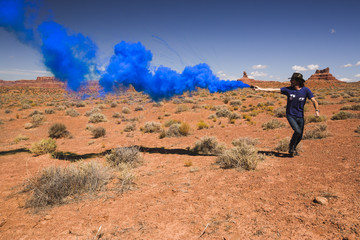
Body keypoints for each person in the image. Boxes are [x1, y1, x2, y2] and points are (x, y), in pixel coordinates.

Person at [253, 73, 320, 156]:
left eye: (292, 80)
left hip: (300, 116)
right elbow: (273, 90)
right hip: (290, 115)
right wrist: (260, 89)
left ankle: (293, 148)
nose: (291, 81)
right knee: (297, 131)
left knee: (300, 135)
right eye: (291, 80)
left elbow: (314, 101)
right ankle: (291, 147)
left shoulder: (306, 90)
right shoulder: (288, 90)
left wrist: (317, 110)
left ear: (298, 81)